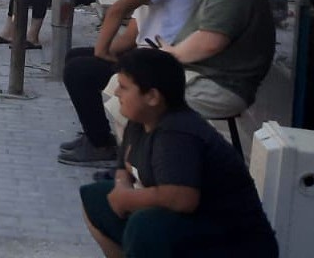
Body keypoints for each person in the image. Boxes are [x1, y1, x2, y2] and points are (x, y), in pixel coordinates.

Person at [78, 49, 278, 258]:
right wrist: (121, 188)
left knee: (146, 226)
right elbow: (123, 167)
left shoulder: (177, 132)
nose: (117, 92)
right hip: (190, 225)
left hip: (231, 238)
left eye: (124, 87)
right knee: (96, 198)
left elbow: (181, 198)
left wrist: (127, 199)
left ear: (152, 97)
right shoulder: (139, 121)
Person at [59, 0, 195, 166]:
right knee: (75, 57)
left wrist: (101, 52)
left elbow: (116, 10)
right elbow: (131, 36)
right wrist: (107, 55)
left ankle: (100, 144)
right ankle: (95, 134)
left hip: (163, 65)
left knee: (78, 71)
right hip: (146, 57)